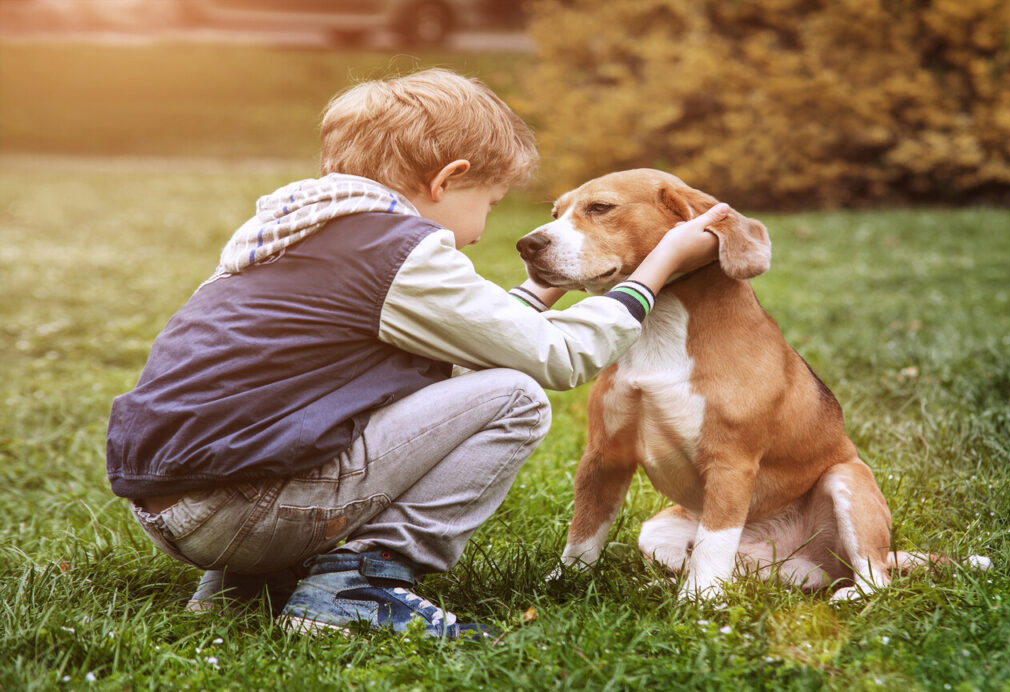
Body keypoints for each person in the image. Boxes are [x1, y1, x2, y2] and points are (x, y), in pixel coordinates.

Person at [106, 68, 725, 639]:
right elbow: (559, 358)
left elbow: (465, 350)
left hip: (174, 509)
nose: (485, 229)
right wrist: (654, 267)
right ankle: (358, 587)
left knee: (409, 393)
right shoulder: (397, 251)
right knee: (515, 398)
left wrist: (541, 289)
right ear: (446, 180)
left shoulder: (293, 232)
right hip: (247, 512)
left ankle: (244, 585)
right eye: (489, 202)